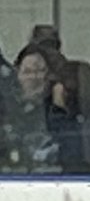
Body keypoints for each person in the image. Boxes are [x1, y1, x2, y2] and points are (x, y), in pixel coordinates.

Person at [28, 24, 90, 172]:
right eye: (42, 44)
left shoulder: (72, 73)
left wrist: (59, 107)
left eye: (51, 44)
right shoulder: (32, 71)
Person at [0, 45, 84, 174]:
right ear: (17, 74)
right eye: (27, 71)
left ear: (50, 75)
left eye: (40, 71)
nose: (34, 77)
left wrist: (59, 108)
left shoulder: (58, 111)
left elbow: (72, 153)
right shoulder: (7, 110)